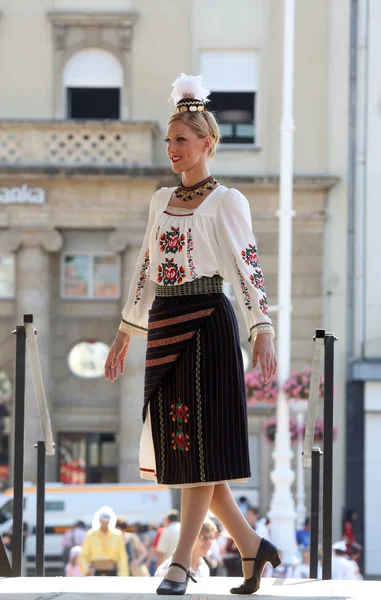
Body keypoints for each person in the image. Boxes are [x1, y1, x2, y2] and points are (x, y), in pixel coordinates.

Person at [104, 72, 279, 596]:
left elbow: (248, 268)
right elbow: (144, 268)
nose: (172, 149)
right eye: (168, 140)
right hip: (164, 322)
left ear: (208, 142)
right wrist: (125, 331)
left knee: (198, 448)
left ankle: (181, 560)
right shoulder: (160, 201)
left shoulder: (227, 201)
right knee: (182, 448)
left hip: (207, 322)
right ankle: (251, 547)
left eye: (181, 139)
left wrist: (261, 328)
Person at [79, 506, 129, 576]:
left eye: (107, 520)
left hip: (112, 570)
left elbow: (122, 556)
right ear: (99, 520)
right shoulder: (90, 535)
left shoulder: (117, 535)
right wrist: (86, 570)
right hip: (95, 571)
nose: (105, 523)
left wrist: (123, 574)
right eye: (103, 520)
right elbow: (84, 555)